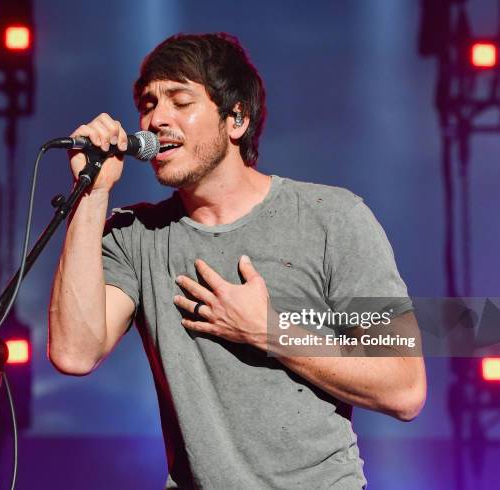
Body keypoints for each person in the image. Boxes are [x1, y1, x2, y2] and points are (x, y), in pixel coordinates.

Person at [48, 32, 427, 489]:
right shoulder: (136, 235)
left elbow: (405, 388)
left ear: (237, 119)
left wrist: (268, 331)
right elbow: (73, 353)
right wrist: (93, 193)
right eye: (148, 103)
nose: (155, 119)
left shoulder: (333, 219)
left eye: (179, 101)